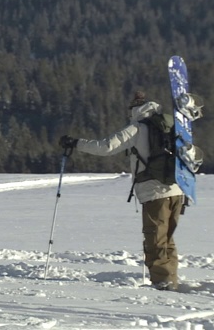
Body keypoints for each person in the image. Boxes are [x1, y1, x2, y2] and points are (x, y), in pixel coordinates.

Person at [58, 91, 185, 291]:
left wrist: (76, 143)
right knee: (167, 239)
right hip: (177, 190)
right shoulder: (171, 127)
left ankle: (163, 284)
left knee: (155, 239)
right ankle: (171, 279)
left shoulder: (137, 128)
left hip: (154, 193)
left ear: (135, 109)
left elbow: (106, 147)